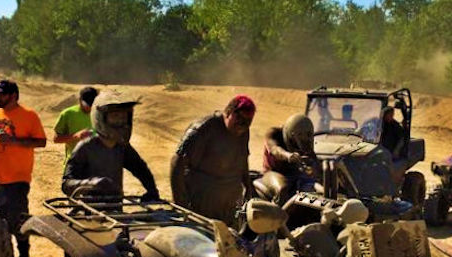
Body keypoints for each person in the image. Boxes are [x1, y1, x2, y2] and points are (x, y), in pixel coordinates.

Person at [0, 79, 46, 257]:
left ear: (13, 95)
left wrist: (14, 141)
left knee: (18, 220)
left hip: (17, 178)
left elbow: (41, 141)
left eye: (1, 94)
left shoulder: (29, 115)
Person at [170, 95, 256, 224]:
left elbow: (243, 158)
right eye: (239, 119)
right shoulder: (203, 128)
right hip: (202, 198)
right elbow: (177, 163)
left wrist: (248, 187)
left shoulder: (244, 131)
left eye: (247, 121)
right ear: (228, 113)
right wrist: (181, 204)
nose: (242, 125)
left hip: (230, 200)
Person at [61, 88, 158, 200]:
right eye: (115, 116)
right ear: (100, 118)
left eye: (124, 117)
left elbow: (141, 170)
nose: (120, 122)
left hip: (115, 207)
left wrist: (152, 191)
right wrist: (91, 183)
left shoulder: (122, 147)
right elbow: (66, 183)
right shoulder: (85, 147)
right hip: (86, 210)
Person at [259, 113, 320, 204]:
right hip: (273, 172)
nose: (301, 141)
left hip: (295, 173)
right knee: (282, 189)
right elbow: (275, 150)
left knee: (317, 190)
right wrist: (288, 156)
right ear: (290, 134)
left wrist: (315, 168)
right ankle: (277, 215)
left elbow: (312, 156)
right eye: (297, 138)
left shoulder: (306, 139)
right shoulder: (273, 133)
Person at [53, 86, 98, 171]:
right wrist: (76, 136)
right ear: (80, 99)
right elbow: (56, 139)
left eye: (92, 104)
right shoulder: (68, 114)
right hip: (74, 165)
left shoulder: (101, 115)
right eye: (87, 104)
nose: (89, 107)